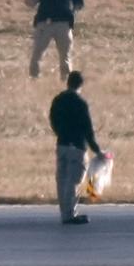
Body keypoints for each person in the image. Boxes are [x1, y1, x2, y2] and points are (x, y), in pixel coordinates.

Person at [48, 68, 100, 226]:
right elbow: (87, 128)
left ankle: (64, 211)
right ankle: (70, 214)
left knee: (62, 179)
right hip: (77, 146)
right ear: (81, 84)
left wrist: (60, 133)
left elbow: (52, 119)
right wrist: (96, 149)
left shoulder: (58, 100)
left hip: (62, 144)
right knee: (74, 181)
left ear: (68, 82)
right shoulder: (80, 103)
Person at [24, 0, 83, 79]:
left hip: (63, 24)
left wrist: (72, 13)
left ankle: (66, 82)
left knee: (65, 56)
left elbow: (79, 2)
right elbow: (28, 0)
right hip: (45, 24)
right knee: (37, 55)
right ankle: (34, 79)